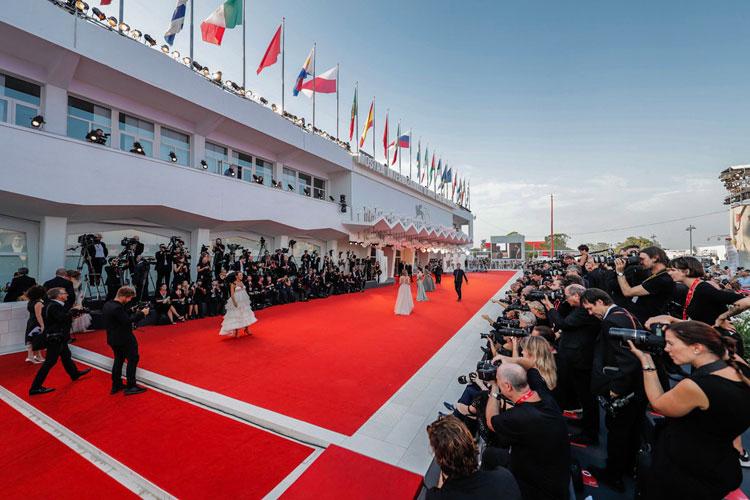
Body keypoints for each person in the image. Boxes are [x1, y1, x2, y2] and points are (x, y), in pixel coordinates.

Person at [628, 321, 750, 499]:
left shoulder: (696, 387)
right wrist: (676, 324)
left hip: (685, 471)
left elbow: (658, 403)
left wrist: (646, 361)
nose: (666, 349)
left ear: (697, 348)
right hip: (722, 466)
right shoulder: (740, 368)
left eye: (671, 343)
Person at [581, 288, 646, 491]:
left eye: (590, 308)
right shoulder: (624, 313)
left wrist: (616, 389)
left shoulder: (612, 321)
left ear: (600, 301)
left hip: (625, 390)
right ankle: (626, 468)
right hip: (637, 388)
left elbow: (627, 360)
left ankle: (613, 475)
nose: (591, 314)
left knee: (618, 433)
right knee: (630, 432)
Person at [484, 362, 571, 500]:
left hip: (540, 488)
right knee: (490, 454)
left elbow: (490, 420)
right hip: (557, 472)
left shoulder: (518, 417)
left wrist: (494, 389)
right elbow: (532, 366)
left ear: (507, 386)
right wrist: (504, 362)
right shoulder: (544, 394)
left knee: (491, 458)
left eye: (500, 382)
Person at [647, 255, 748, 356]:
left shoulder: (703, 289)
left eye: (673, 270)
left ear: (686, 271)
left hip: (725, 344)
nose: (669, 273)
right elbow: (700, 323)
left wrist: (722, 317)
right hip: (713, 342)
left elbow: (746, 301)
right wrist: (670, 319)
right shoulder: (694, 289)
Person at [542, 284, 601, 444]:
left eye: (567, 297)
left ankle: (590, 433)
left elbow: (563, 324)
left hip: (581, 360)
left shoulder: (583, 311)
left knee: (587, 397)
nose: (565, 300)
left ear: (576, 296)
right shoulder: (578, 308)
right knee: (583, 395)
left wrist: (549, 307)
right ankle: (586, 423)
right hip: (577, 358)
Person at [426, 415, 521, 500]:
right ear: (471, 443)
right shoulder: (504, 478)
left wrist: (444, 477)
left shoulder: (436, 496)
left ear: (440, 459)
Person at [29, 288, 91, 395]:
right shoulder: (54, 306)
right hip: (55, 337)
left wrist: (73, 313)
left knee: (66, 356)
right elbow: (62, 319)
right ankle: (35, 387)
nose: (67, 295)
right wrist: (73, 312)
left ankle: (74, 374)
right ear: (58, 296)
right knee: (50, 362)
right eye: (64, 293)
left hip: (58, 336)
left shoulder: (52, 304)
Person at [102, 286, 149, 395]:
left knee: (118, 360)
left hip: (113, 338)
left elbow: (119, 316)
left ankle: (116, 384)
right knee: (133, 359)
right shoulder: (117, 308)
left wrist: (131, 310)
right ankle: (131, 385)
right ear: (123, 296)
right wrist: (142, 314)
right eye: (129, 298)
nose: (130, 300)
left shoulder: (109, 304)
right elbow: (127, 321)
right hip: (124, 338)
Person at [614, 246, 675, 324]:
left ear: (655, 258)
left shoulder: (662, 279)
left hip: (650, 322)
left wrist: (620, 272)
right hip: (643, 318)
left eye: (642, 259)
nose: (640, 262)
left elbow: (627, 292)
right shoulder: (655, 275)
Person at [220, 271, 257, 337]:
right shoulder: (233, 284)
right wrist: (234, 302)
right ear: (236, 276)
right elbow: (232, 294)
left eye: (242, 275)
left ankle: (246, 329)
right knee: (236, 315)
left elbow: (244, 291)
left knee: (245, 314)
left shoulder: (242, 282)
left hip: (243, 301)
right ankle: (236, 331)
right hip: (237, 301)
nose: (241, 276)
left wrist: (246, 299)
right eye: (240, 275)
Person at [24, 285, 46, 364]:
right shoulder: (38, 303)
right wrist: (42, 325)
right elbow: (38, 315)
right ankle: (31, 357)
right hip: (36, 323)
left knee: (32, 339)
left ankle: (37, 356)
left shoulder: (30, 302)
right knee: (35, 339)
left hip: (31, 321)